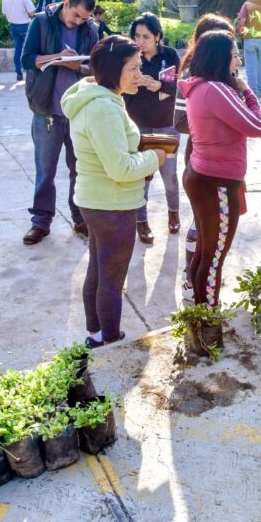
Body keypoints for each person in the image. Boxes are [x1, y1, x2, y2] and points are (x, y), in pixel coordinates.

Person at [61, 36, 165, 348]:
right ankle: (110, 341)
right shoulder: (103, 108)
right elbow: (119, 168)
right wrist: (155, 157)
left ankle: (94, 334)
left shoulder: (96, 97)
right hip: (112, 204)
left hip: (98, 201)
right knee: (111, 276)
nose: (139, 75)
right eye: (132, 69)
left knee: (98, 267)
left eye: (140, 67)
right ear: (111, 71)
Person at [179, 30, 261, 307]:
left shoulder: (201, 86)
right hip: (216, 182)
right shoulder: (215, 90)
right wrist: (248, 92)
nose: (238, 62)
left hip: (204, 175)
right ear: (220, 58)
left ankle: (198, 311)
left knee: (205, 252)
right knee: (213, 257)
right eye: (235, 56)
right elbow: (256, 126)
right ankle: (208, 318)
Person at [19, 0, 99, 245]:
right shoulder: (41, 22)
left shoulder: (90, 29)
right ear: (66, 4)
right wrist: (57, 58)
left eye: (83, 19)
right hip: (47, 111)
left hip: (78, 112)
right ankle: (41, 221)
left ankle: (80, 217)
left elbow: (94, 68)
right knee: (46, 171)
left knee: (81, 170)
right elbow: (27, 59)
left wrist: (78, 66)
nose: (77, 22)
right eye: (75, 15)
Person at [173, 14, 238, 300]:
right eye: (228, 49)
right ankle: (195, 288)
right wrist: (216, 121)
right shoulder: (196, 80)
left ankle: (200, 288)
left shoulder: (225, 79)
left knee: (211, 236)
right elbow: (254, 123)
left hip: (225, 163)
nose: (234, 55)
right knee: (203, 230)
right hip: (206, 159)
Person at [125, 12, 181, 244]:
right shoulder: (129, 56)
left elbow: (180, 88)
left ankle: (174, 213)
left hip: (166, 125)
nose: (140, 41)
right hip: (137, 125)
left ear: (157, 36)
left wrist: (160, 85)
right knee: (141, 178)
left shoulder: (169, 55)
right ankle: (141, 221)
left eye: (145, 37)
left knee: (169, 175)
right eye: (136, 36)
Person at [1, 0, 37, 82]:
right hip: (25, 25)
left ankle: (19, 73)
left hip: (13, 26)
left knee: (17, 50)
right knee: (29, 50)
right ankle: (30, 72)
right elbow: (31, 13)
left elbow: (4, 13)